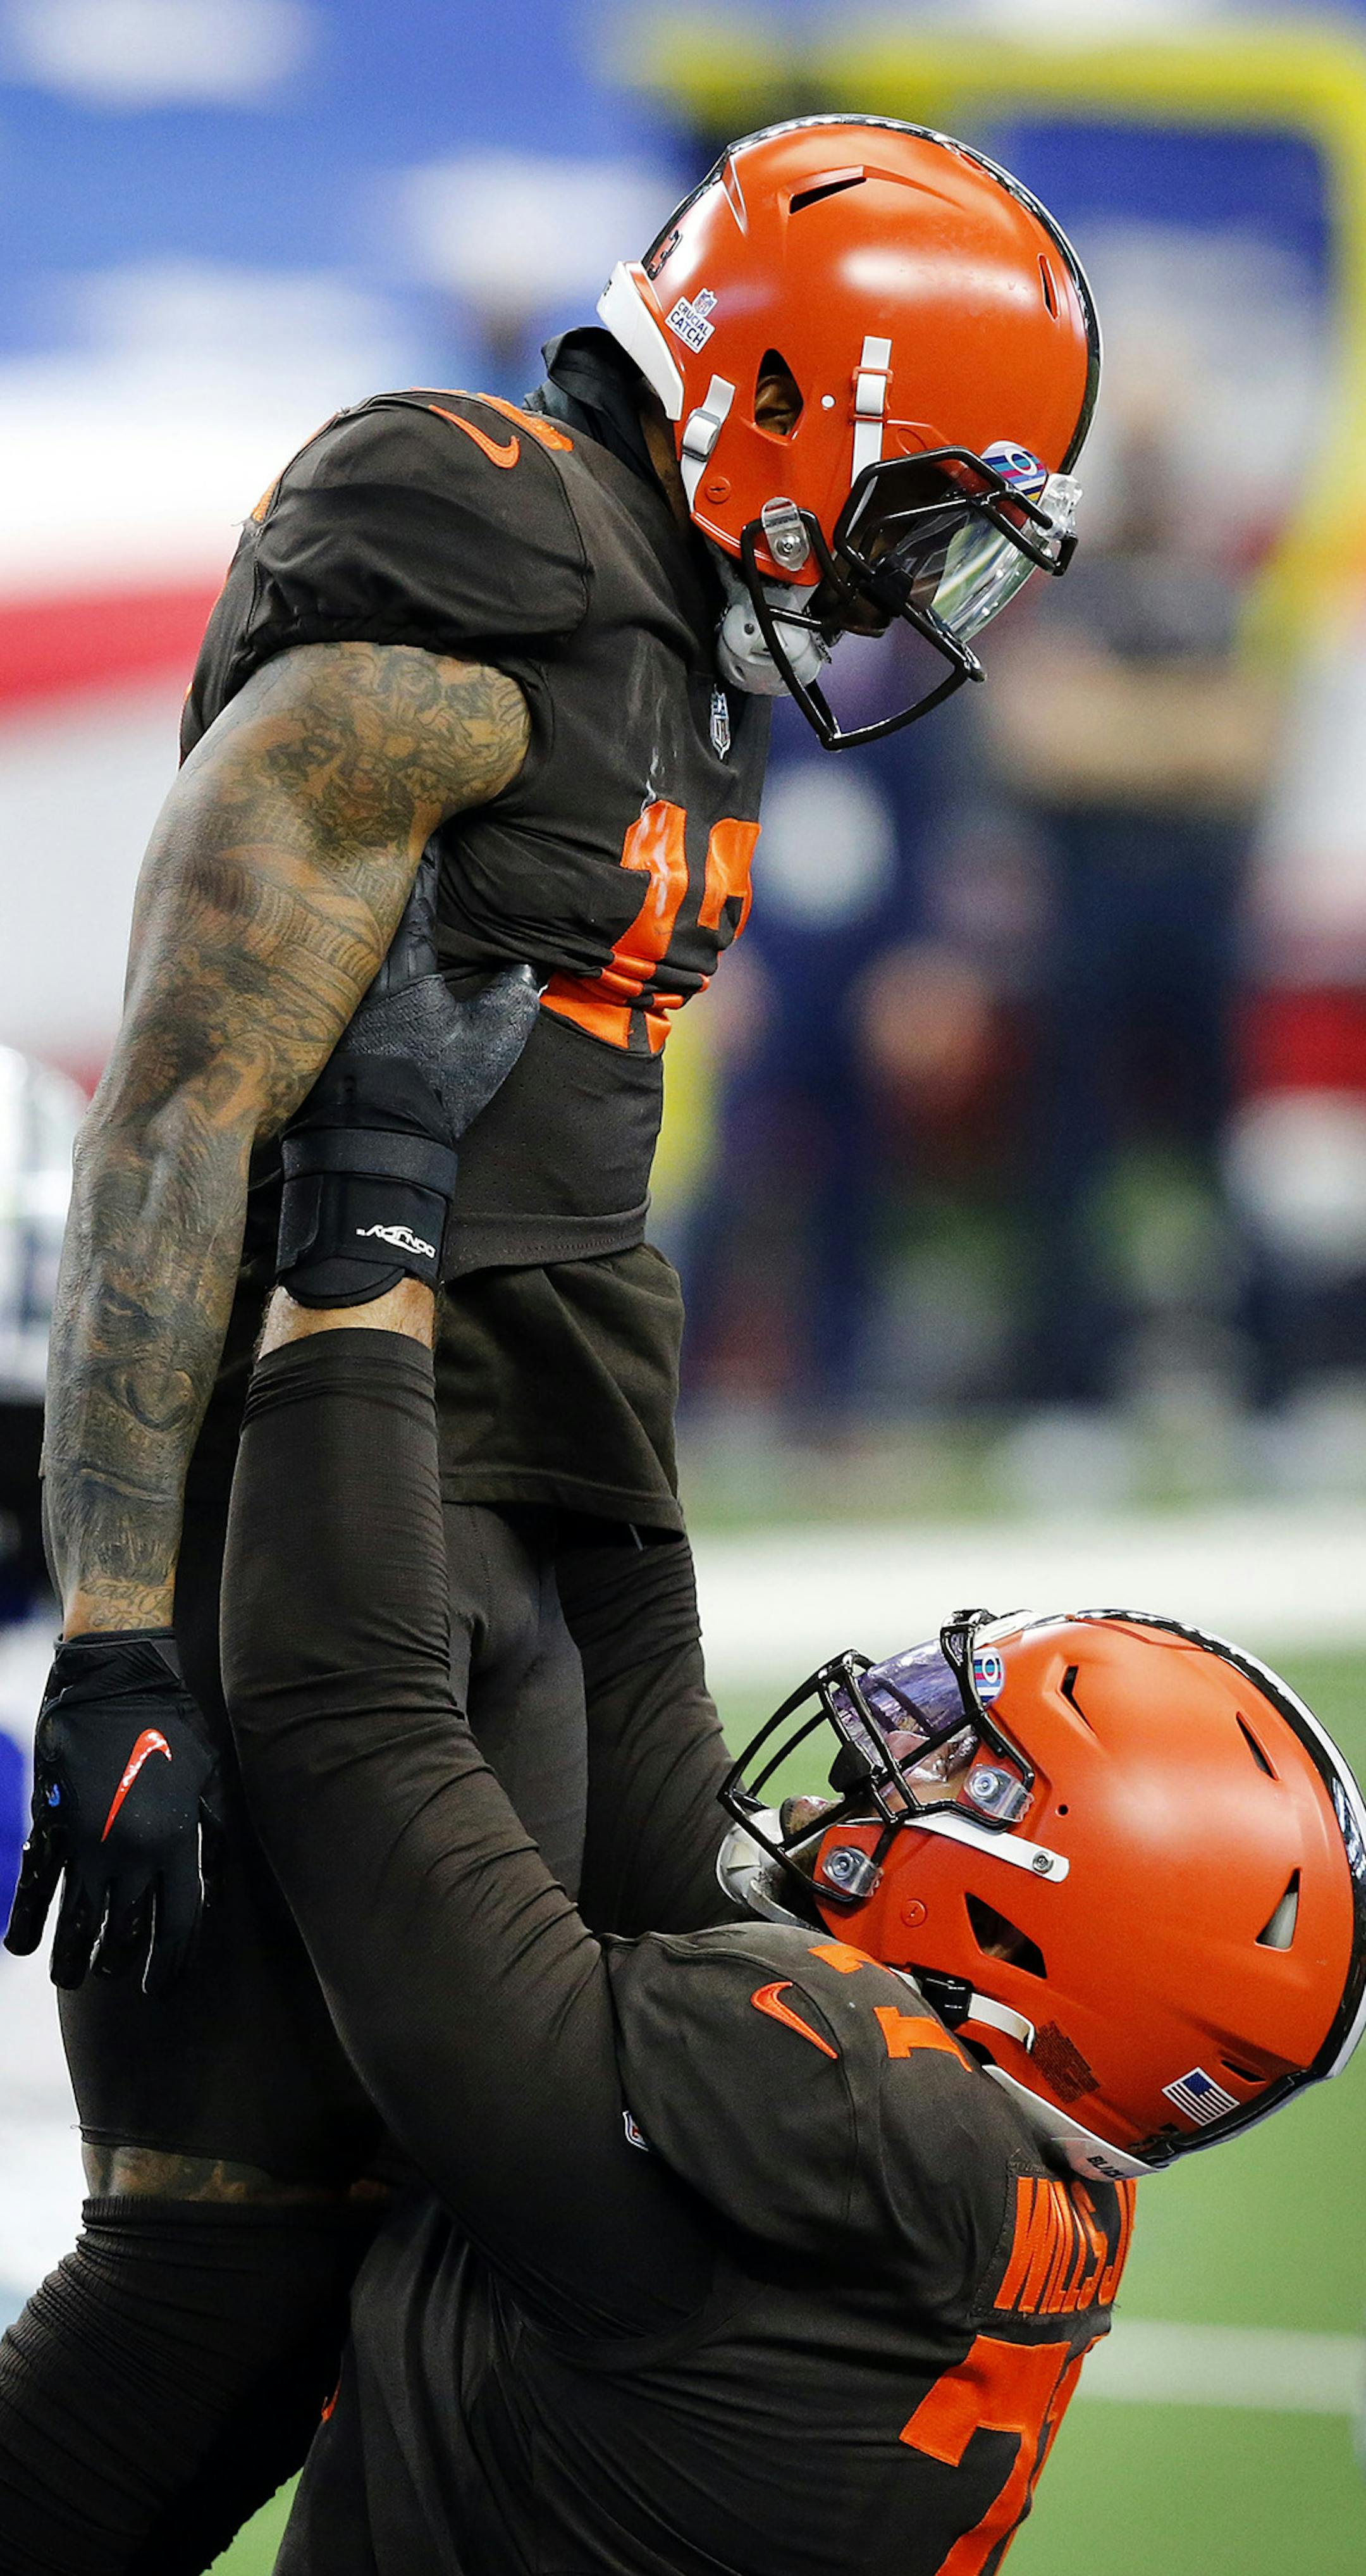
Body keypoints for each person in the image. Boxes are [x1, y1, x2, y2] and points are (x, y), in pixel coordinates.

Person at [0, 116, 1099, 2571]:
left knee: (529, 2204)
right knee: (225, 2278)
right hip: (326, 1460)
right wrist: (118, 1629)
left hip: (535, 1490)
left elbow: (576, 1197)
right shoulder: (473, 540)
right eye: (927, 489)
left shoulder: (675, 641)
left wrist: (648, 1605)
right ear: (802, 398)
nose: (931, 566)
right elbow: (184, 1102)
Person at [212, 1261, 1366, 2572]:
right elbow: (639, 1677)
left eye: (957, 1766)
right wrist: (591, 1250)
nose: (882, 1757)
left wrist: (364, 1227)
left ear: (1026, 1924)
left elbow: (345, 1724)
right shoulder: (1009, 2145)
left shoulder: (836, 2098)